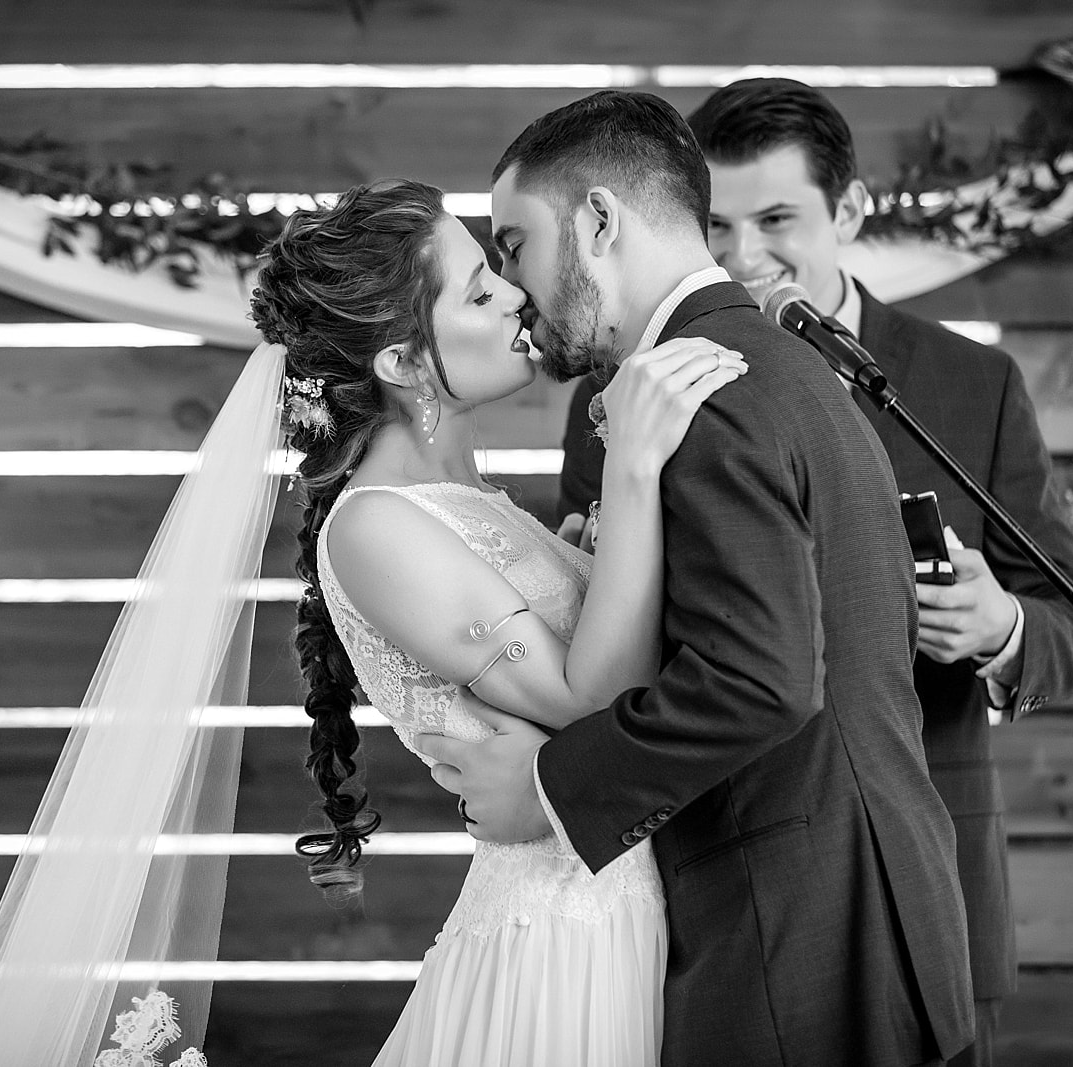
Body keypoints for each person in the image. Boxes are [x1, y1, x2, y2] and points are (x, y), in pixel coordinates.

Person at [554, 79, 1073, 1066]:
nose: (742, 255)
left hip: (928, 884)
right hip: (716, 887)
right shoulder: (622, 390)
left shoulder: (968, 383)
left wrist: (1001, 627)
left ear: (849, 211)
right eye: (715, 224)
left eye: (777, 219)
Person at [420, 90, 976, 1066]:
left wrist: (547, 788)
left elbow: (758, 677)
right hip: (851, 902)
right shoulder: (756, 362)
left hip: (802, 928)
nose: (513, 290)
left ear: (596, 223)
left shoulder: (705, 389)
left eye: (513, 247)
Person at [258, 178, 749, 1065]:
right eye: (480, 291)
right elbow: (589, 696)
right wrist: (633, 469)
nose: (517, 294)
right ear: (404, 364)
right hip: (565, 940)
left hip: (623, 898)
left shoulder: (464, 503)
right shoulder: (374, 526)